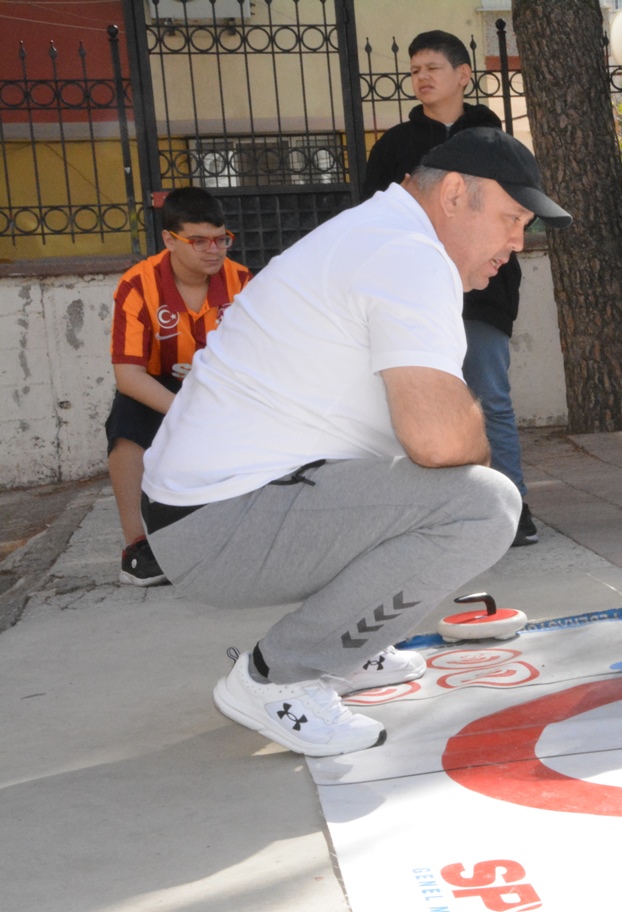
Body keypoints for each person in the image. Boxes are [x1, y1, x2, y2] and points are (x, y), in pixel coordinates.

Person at [141, 128, 571, 757]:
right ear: (455, 194)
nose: (517, 242)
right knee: (484, 504)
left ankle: (350, 643)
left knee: (428, 479)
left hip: (210, 509)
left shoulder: (382, 232)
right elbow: (438, 438)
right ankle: (275, 677)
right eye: (511, 219)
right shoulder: (408, 254)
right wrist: (467, 433)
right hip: (217, 524)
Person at [364, 30, 537, 546]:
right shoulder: (395, 146)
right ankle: (429, 513)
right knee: (416, 405)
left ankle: (512, 505)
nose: (421, 77)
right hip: (414, 299)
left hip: (483, 297)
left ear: (463, 75)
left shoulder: (496, 140)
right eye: (415, 69)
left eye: (432, 67)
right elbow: (374, 219)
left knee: (490, 399)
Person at [106, 187, 250, 586]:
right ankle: (138, 547)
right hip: (158, 385)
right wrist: (185, 412)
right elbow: (128, 375)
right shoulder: (137, 286)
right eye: (198, 241)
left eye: (222, 239)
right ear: (170, 239)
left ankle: (244, 532)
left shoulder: (242, 281)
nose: (214, 250)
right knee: (125, 425)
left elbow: (261, 357)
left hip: (221, 384)